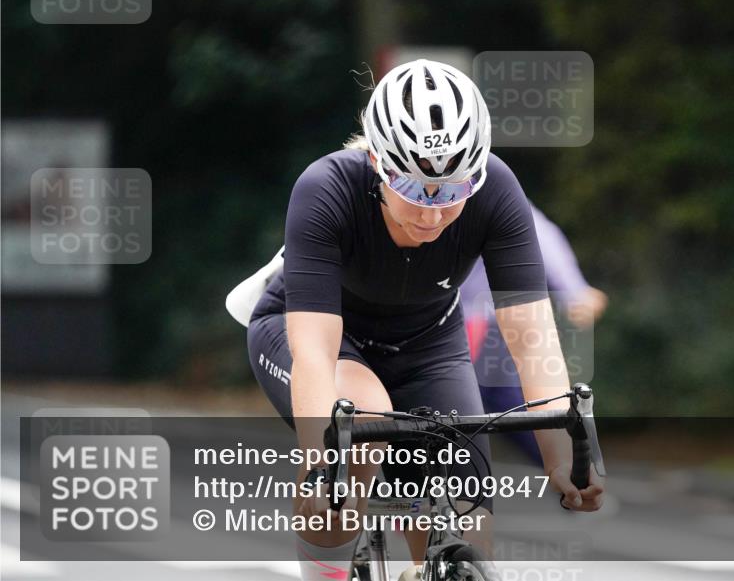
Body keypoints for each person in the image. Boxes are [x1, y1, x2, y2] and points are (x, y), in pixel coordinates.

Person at [232, 60, 603, 581]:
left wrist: (561, 456)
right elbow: (314, 350)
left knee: (469, 534)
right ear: (377, 161)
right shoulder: (326, 188)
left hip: (428, 344)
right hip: (316, 334)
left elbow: (532, 336)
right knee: (362, 425)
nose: (432, 214)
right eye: (414, 188)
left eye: (452, 191)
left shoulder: (497, 189)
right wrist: (321, 467)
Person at [461, 205, 607, 465]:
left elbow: (540, 239)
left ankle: (576, 468)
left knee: (513, 408)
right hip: (452, 324)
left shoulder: (500, 199)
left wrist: (574, 292)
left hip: (486, 326)